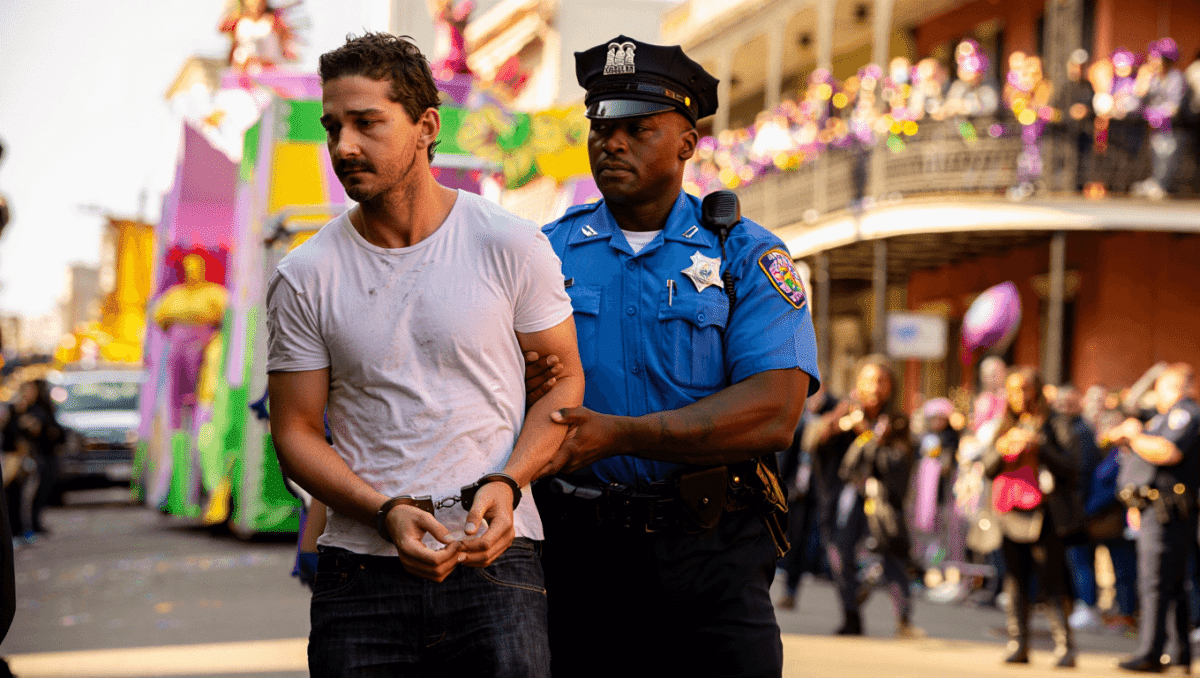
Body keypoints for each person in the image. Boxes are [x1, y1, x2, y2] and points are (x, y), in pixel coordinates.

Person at [265, 33, 584, 677]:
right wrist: (383, 513)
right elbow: (295, 430)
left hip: (498, 557)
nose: (343, 146)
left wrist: (508, 481)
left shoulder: (511, 244)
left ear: (426, 126)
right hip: (360, 573)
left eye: (367, 123)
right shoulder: (305, 273)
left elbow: (564, 381)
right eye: (333, 127)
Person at [529, 35, 819, 678]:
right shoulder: (542, 254)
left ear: (688, 141)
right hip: (578, 553)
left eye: (637, 128)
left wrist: (619, 435)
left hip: (711, 554)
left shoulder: (745, 255)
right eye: (601, 127)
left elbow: (774, 412)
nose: (613, 142)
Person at [807, 356, 919, 638]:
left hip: (881, 499)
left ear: (891, 386)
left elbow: (901, 462)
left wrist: (868, 436)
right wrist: (840, 425)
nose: (875, 388)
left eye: (881, 381)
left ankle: (903, 618)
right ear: (858, 384)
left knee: (890, 553)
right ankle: (851, 616)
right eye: (869, 380)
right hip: (846, 497)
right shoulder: (845, 411)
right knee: (839, 553)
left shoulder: (896, 421)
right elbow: (815, 443)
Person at [983, 367, 1080, 668]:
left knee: (1053, 581)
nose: (1019, 397)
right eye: (1013, 391)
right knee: (1015, 581)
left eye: (1025, 389)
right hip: (1009, 513)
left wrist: (1041, 446)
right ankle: (1019, 644)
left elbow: (1072, 467)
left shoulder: (1055, 424)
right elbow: (987, 467)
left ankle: (1065, 646)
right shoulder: (1004, 425)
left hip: (1044, 515)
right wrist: (1003, 449)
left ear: (1037, 392)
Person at [1107, 364, 1199, 673]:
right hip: (1159, 510)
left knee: (1154, 582)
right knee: (1169, 583)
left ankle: (1151, 651)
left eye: (1158, 389)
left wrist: (1134, 437)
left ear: (1174, 388)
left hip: (1168, 512)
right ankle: (1178, 651)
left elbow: (1169, 452)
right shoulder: (1165, 416)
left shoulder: (1183, 413)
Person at [775, 384, 835, 611]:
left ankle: (850, 596)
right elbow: (786, 457)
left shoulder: (834, 419)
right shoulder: (798, 419)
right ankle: (791, 590)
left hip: (823, 492)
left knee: (828, 541)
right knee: (796, 542)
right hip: (798, 492)